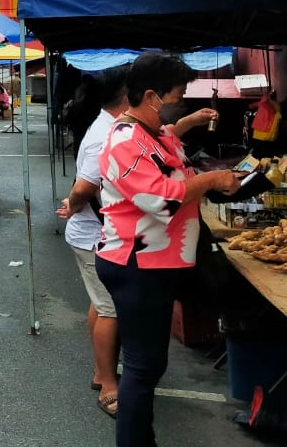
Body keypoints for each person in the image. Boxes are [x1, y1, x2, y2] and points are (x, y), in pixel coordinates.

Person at [94, 52, 236, 447]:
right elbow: (161, 198)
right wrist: (212, 180)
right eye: (178, 94)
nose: (181, 100)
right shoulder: (124, 140)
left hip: (157, 264)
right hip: (137, 264)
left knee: (148, 365)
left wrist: (187, 123)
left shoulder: (151, 131)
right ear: (153, 95)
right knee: (142, 368)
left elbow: (165, 144)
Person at [54, 66, 129, 419]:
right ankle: (110, 386)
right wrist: (74, 203)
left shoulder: (111, 126)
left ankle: (102, 373)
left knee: (101, 304)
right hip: (94, 236)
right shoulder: (103, 135)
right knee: (111, 308)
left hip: (95, 234)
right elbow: (85, 187)